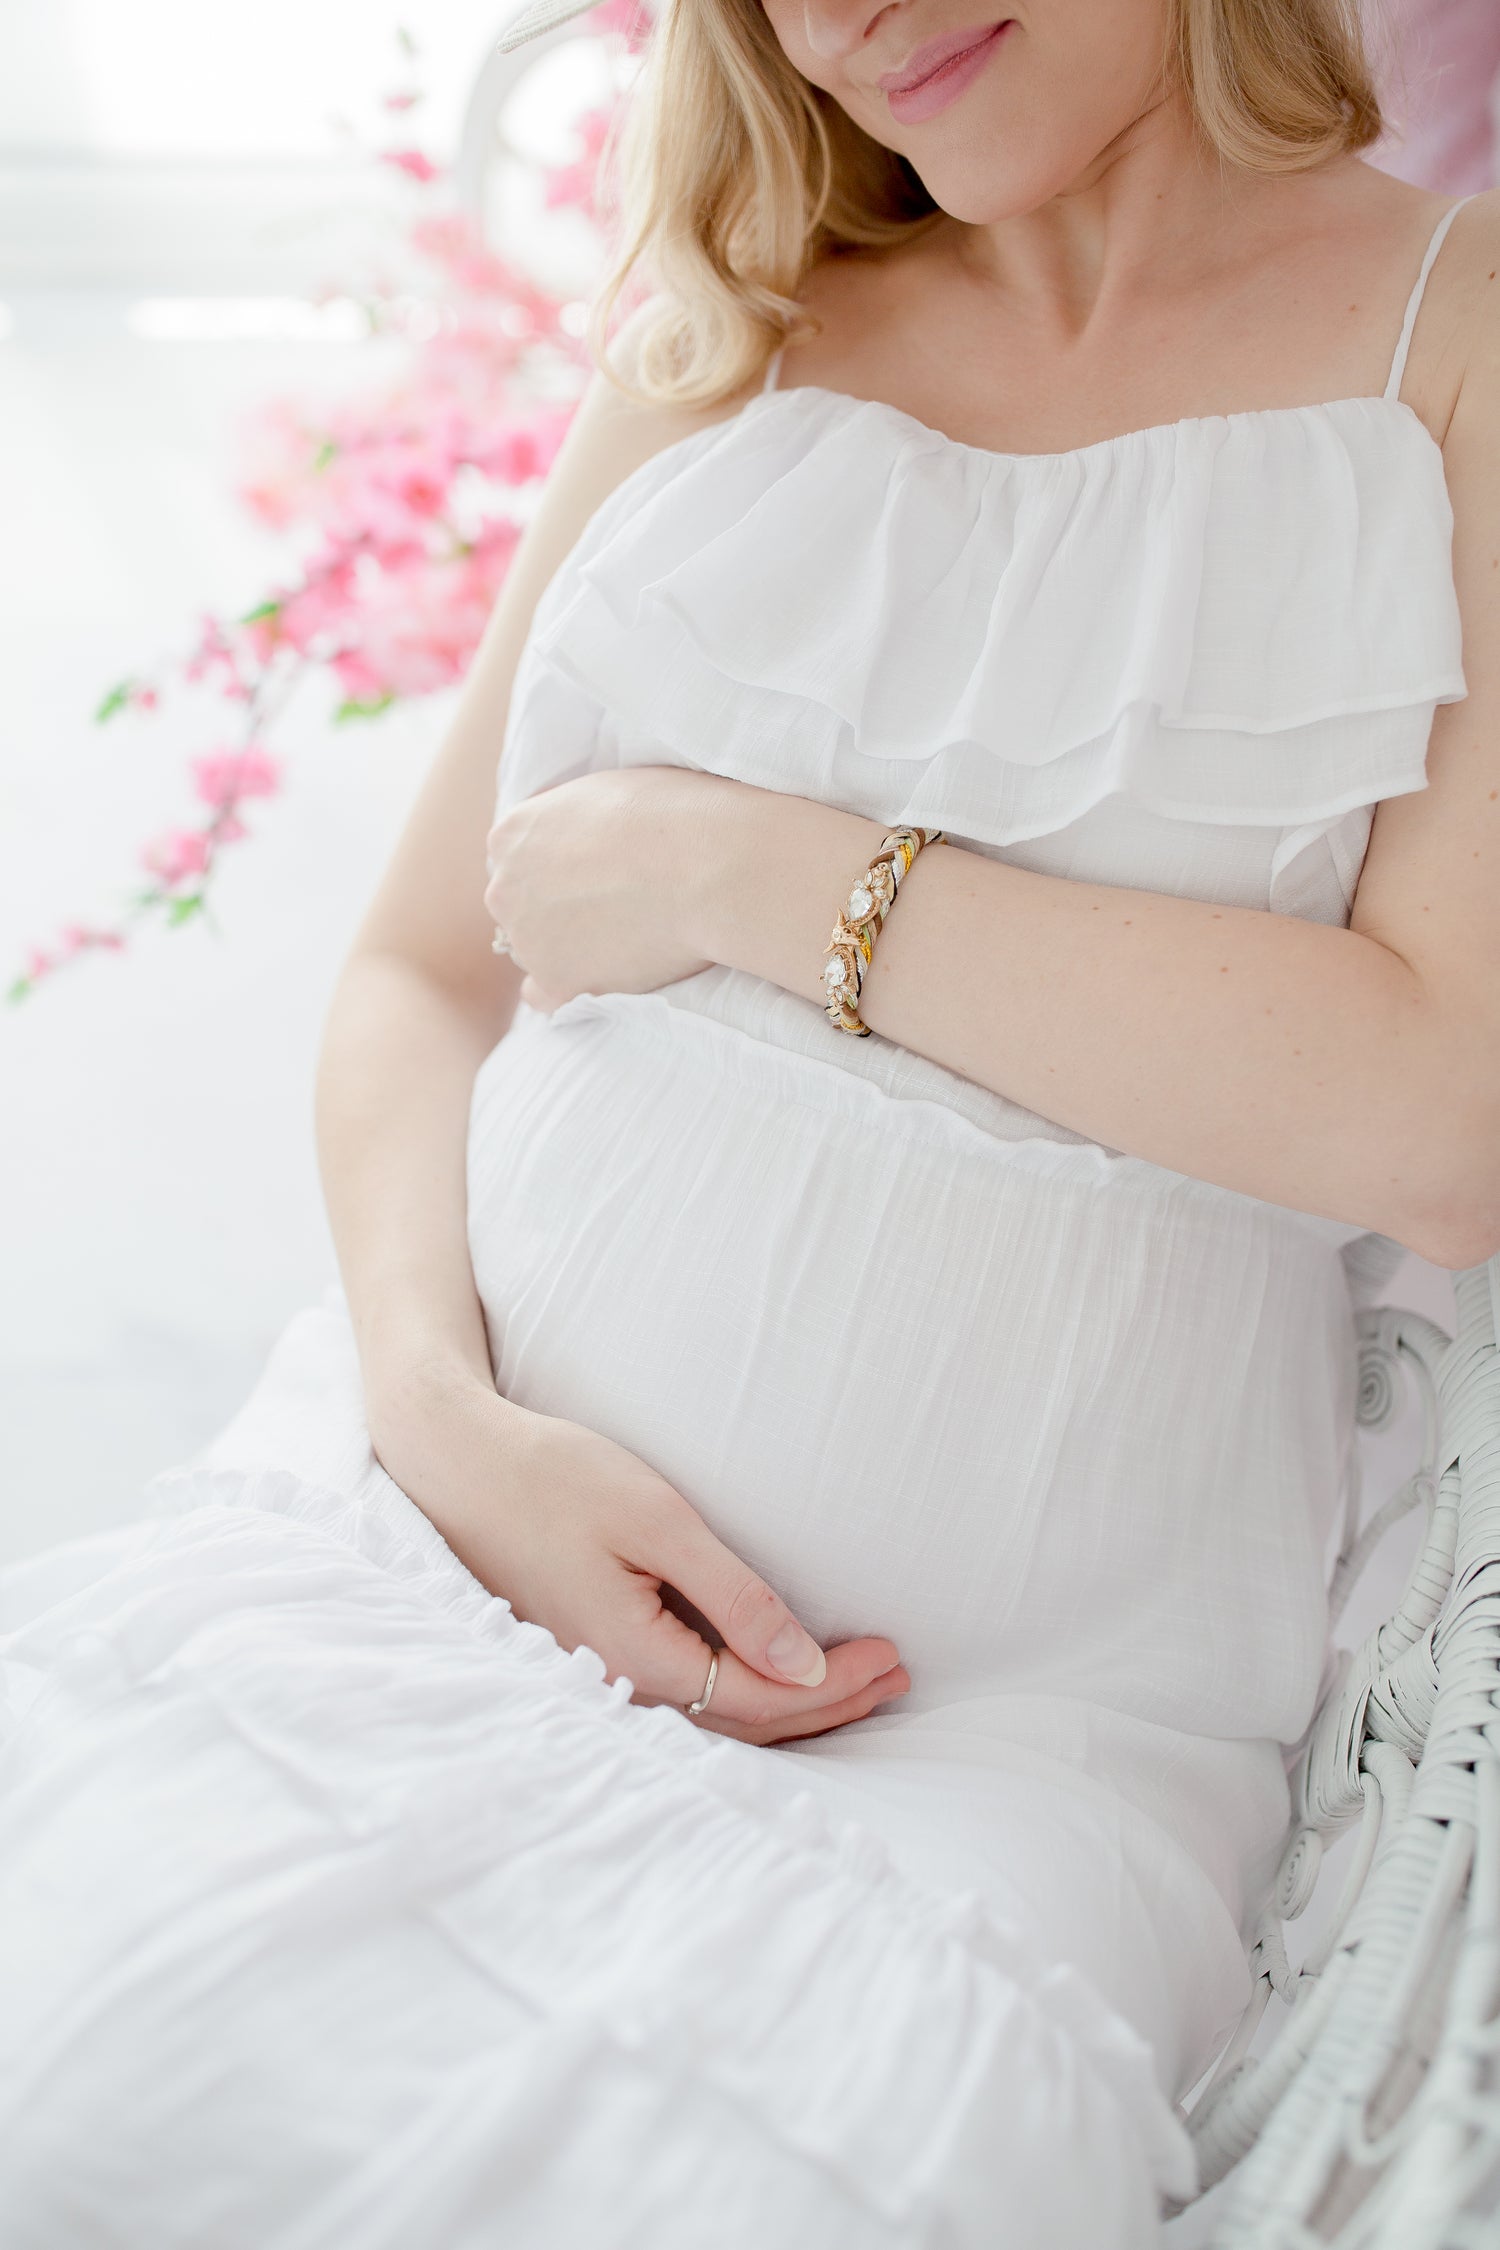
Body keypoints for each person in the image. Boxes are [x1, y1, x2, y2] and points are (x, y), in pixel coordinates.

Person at [3, 0, 1498, 2242]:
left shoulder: (1451, 338)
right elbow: (418, 980)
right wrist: (450, 1432)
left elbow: (1439, 1115)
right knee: (94, 2066)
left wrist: (754, 870)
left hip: (999, 1755)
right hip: (407, 1566)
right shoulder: (743, 312)